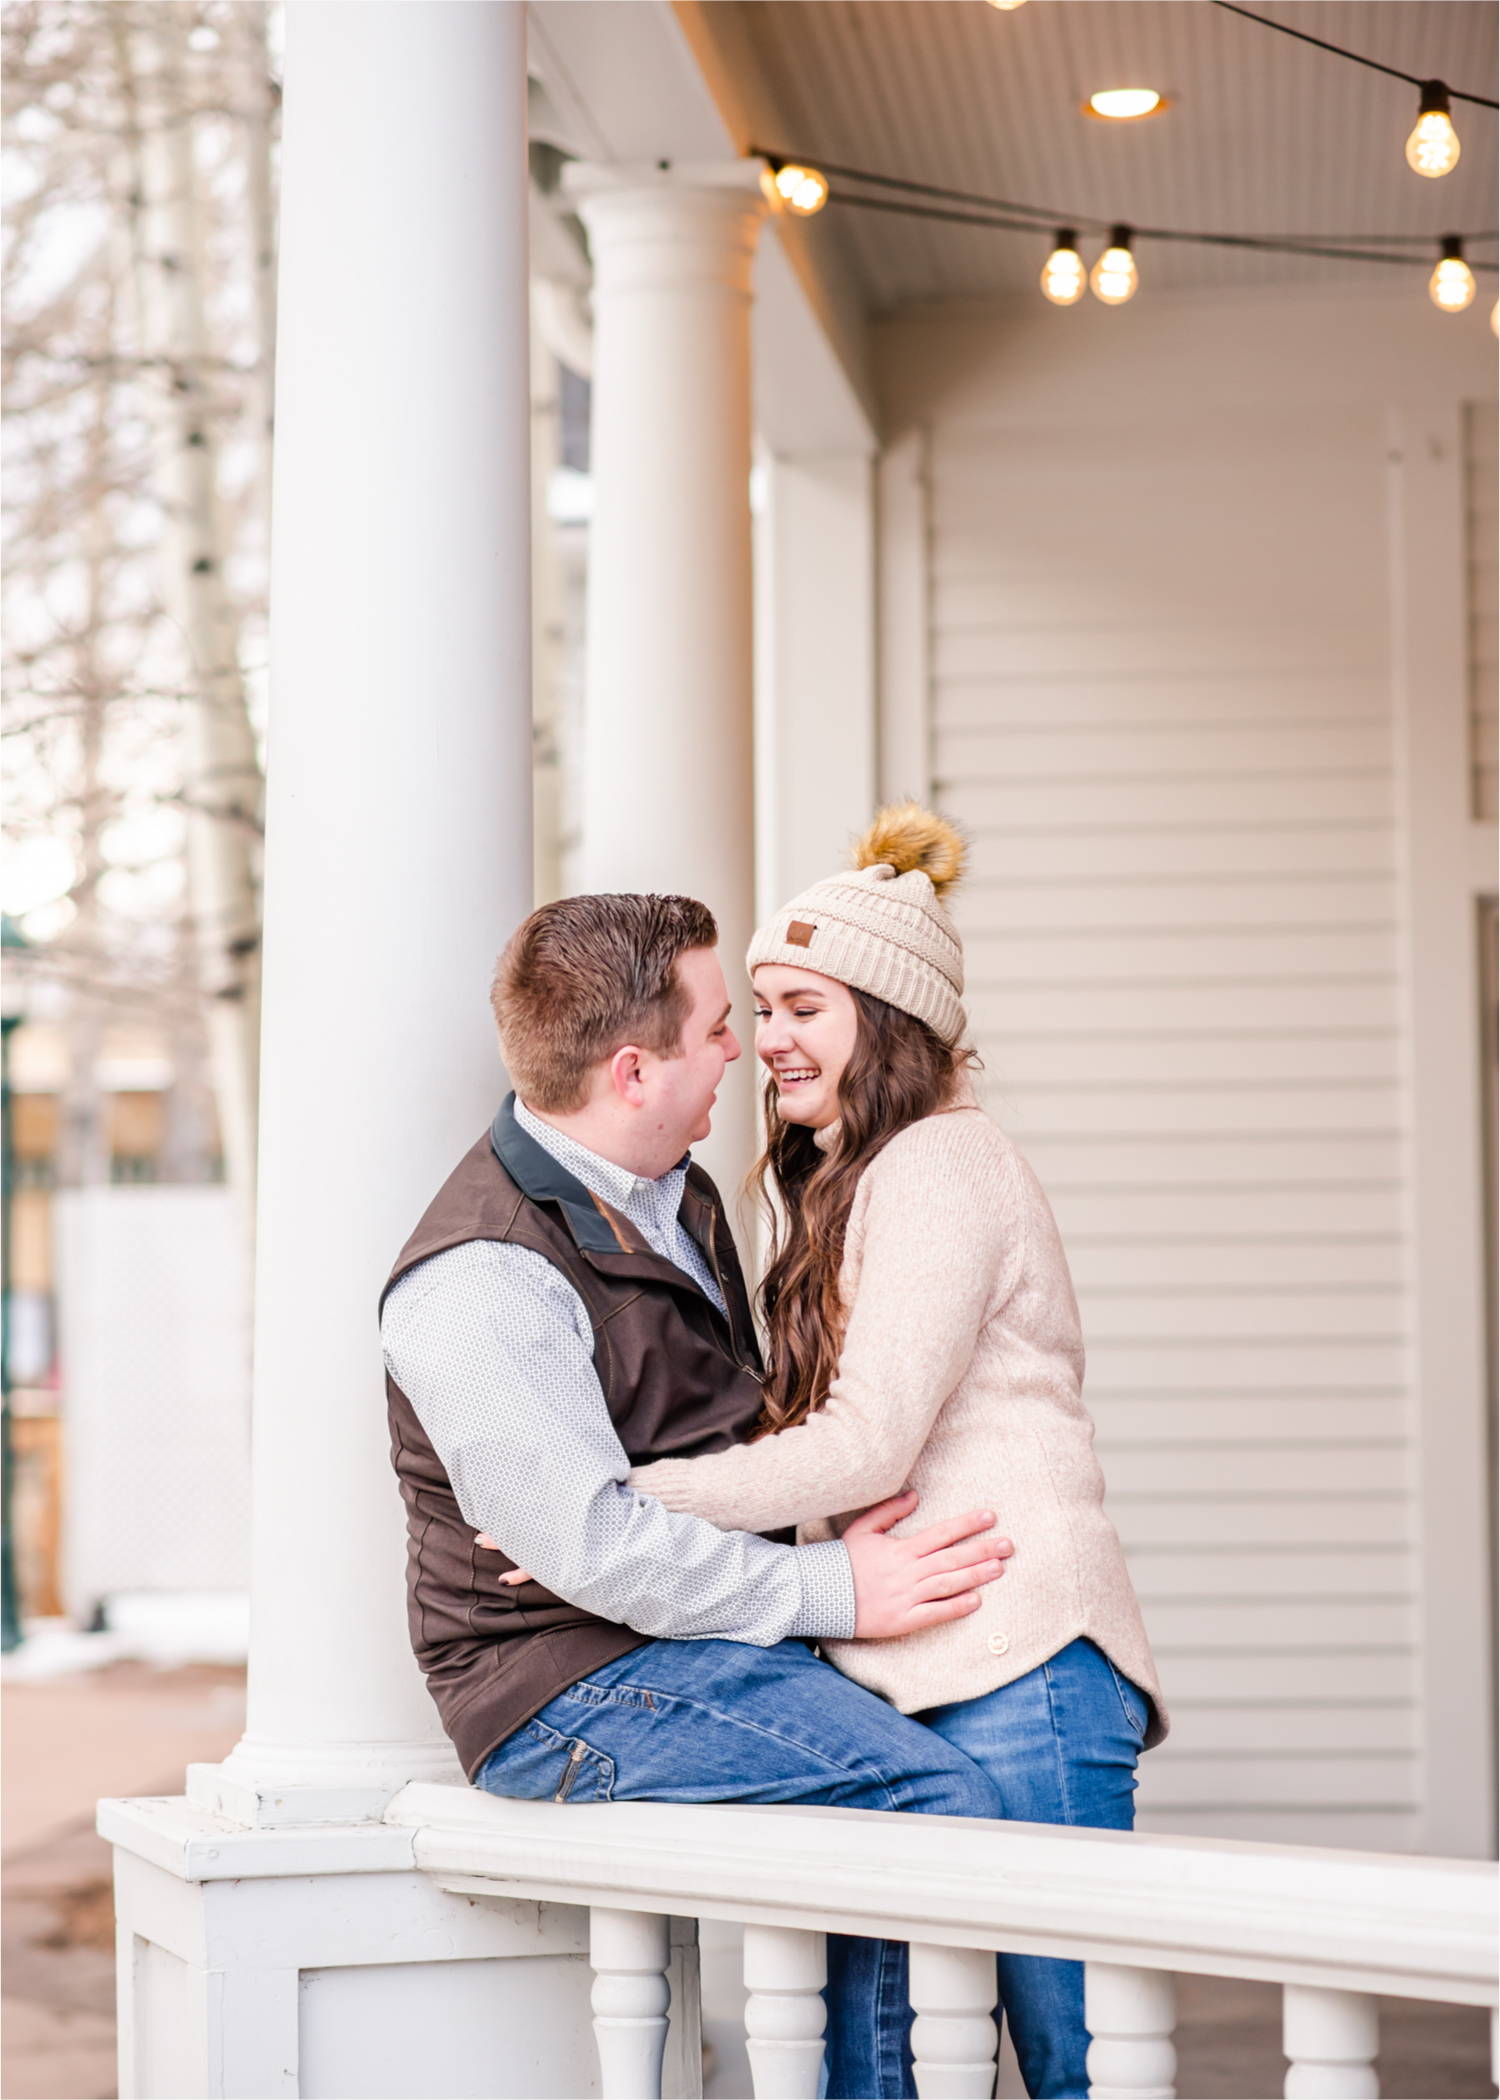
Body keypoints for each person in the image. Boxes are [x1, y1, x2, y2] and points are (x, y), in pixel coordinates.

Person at [378, 890, 1014, 2089]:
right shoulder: (484, 1279)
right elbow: (594, 1552)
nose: (746, 1047)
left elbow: (704, 1442)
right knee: (928, 1791)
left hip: (673, 1639)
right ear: (634, 1068)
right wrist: (836, 1586)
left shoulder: (677, 1193)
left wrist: (826, 1511)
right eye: (720, 1024)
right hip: (565, 1682)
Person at [627, 806, 1167, 2100]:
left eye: (804, 1008)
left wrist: (628, 1507)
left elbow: (866, 1445)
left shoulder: (941, 1165)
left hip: (1020, 1658)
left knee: (1074, 2065)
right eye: (759, 1014)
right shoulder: (849, 1182)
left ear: (889, 1012)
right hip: (910, 1669)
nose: (769, 1045)